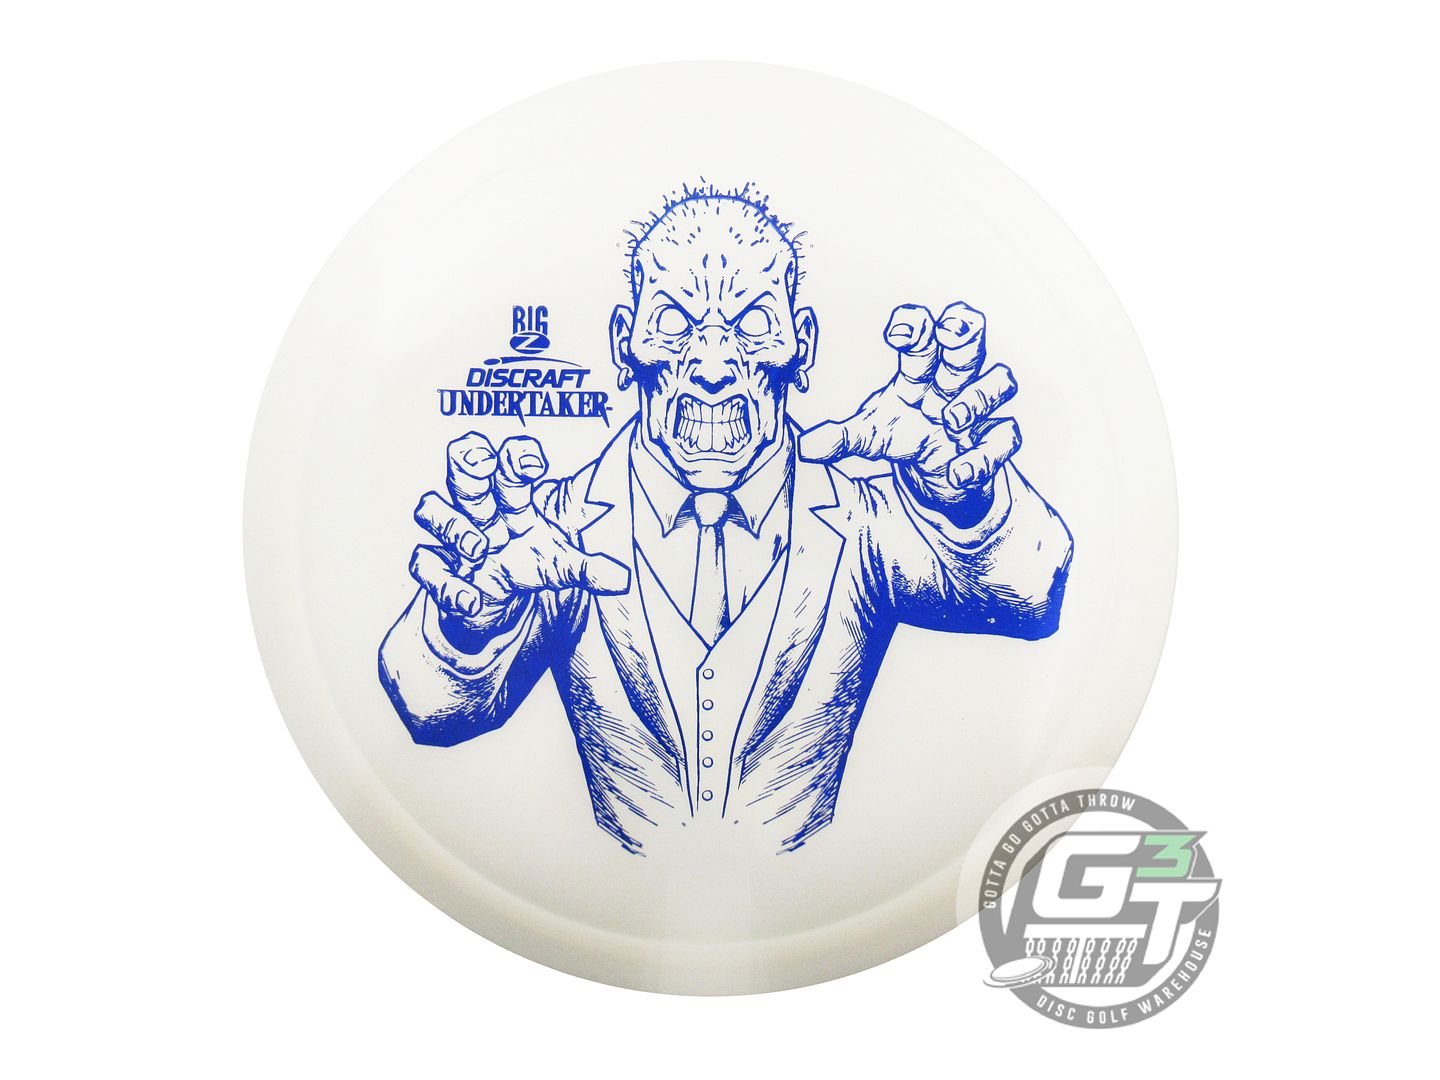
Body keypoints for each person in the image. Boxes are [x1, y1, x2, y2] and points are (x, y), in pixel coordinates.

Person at [379, 188, 1073, 854]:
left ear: (802, 345)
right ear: (624, 342)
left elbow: (1032, 592)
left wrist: (964, 500)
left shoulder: (861, 519)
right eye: (673, 324)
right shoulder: (552, 530)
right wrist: (465, 624)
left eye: (753, 324)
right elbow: (430, 708)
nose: (712, 365)